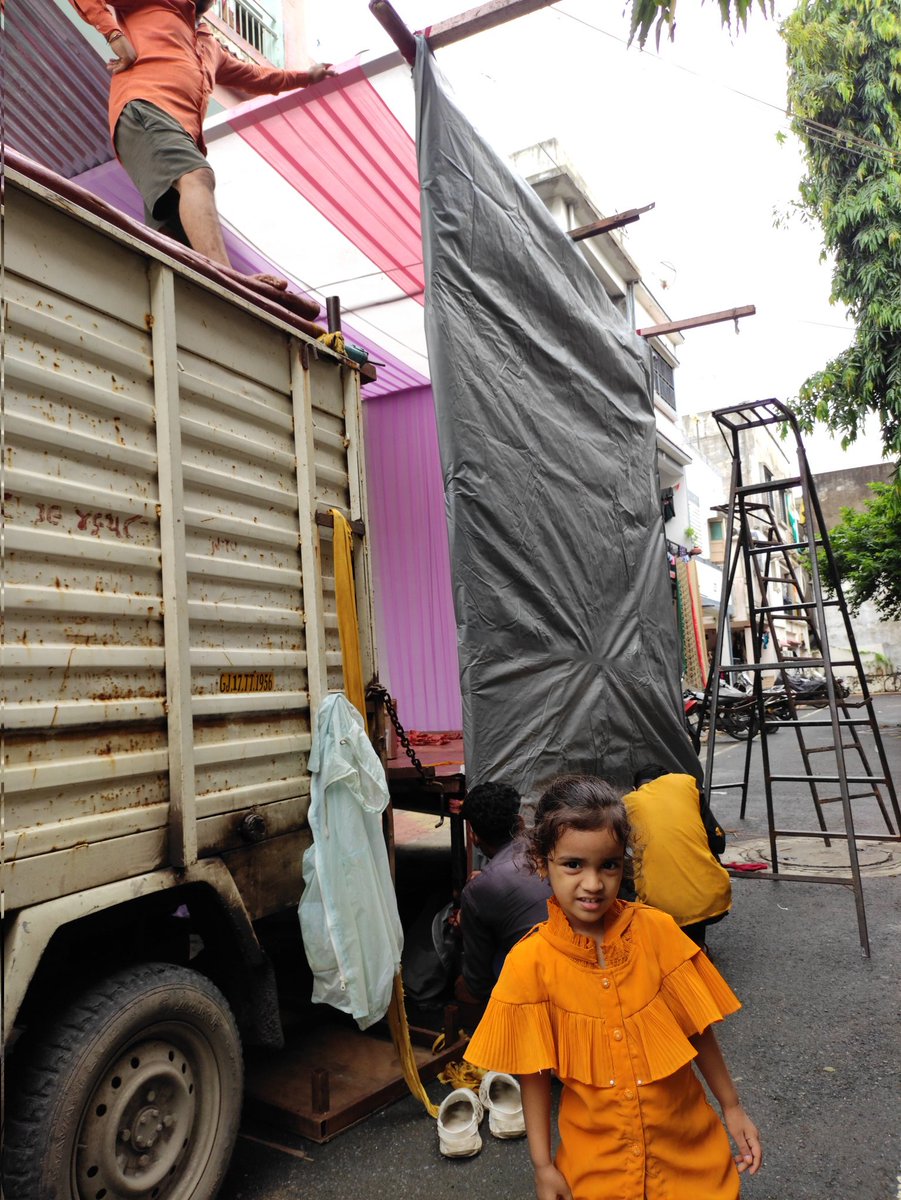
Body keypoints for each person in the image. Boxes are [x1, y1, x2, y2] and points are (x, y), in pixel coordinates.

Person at [465, 775, 761, 1200]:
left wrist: (731, 1107)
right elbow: (532, 1072)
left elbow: (697, 1028)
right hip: (597, 1173)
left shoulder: (656, 930)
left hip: (693, 1160)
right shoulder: (529, 963)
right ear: (541, 861)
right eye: (573, 865)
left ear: (624, 862)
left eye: (609, 864)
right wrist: (542, 1165)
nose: (593, 883)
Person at [68, 0, 335, 285]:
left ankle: (180, 301)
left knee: (174, 240)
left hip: (180, 134)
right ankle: (230, 281)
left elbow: (256, 77)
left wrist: (307, 77)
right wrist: (115, 35)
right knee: (197, 175)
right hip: (145, 107)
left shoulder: (210, 47)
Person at [454, 781, 552, 1006]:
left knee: (465, 987)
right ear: (519, 822)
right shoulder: (548, 844)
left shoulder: (478, 890)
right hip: (585, 958)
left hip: (542, 983)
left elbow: (478, 983)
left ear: (474, 836)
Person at [624, 764, 732, 948]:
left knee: (622, 866)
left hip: (657, 912)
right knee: (702, 848)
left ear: (636, 788)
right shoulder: (686, 785)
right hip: (713, 901)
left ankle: (650, 942)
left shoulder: (628, 802)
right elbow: (718, 843)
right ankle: (696, 943)